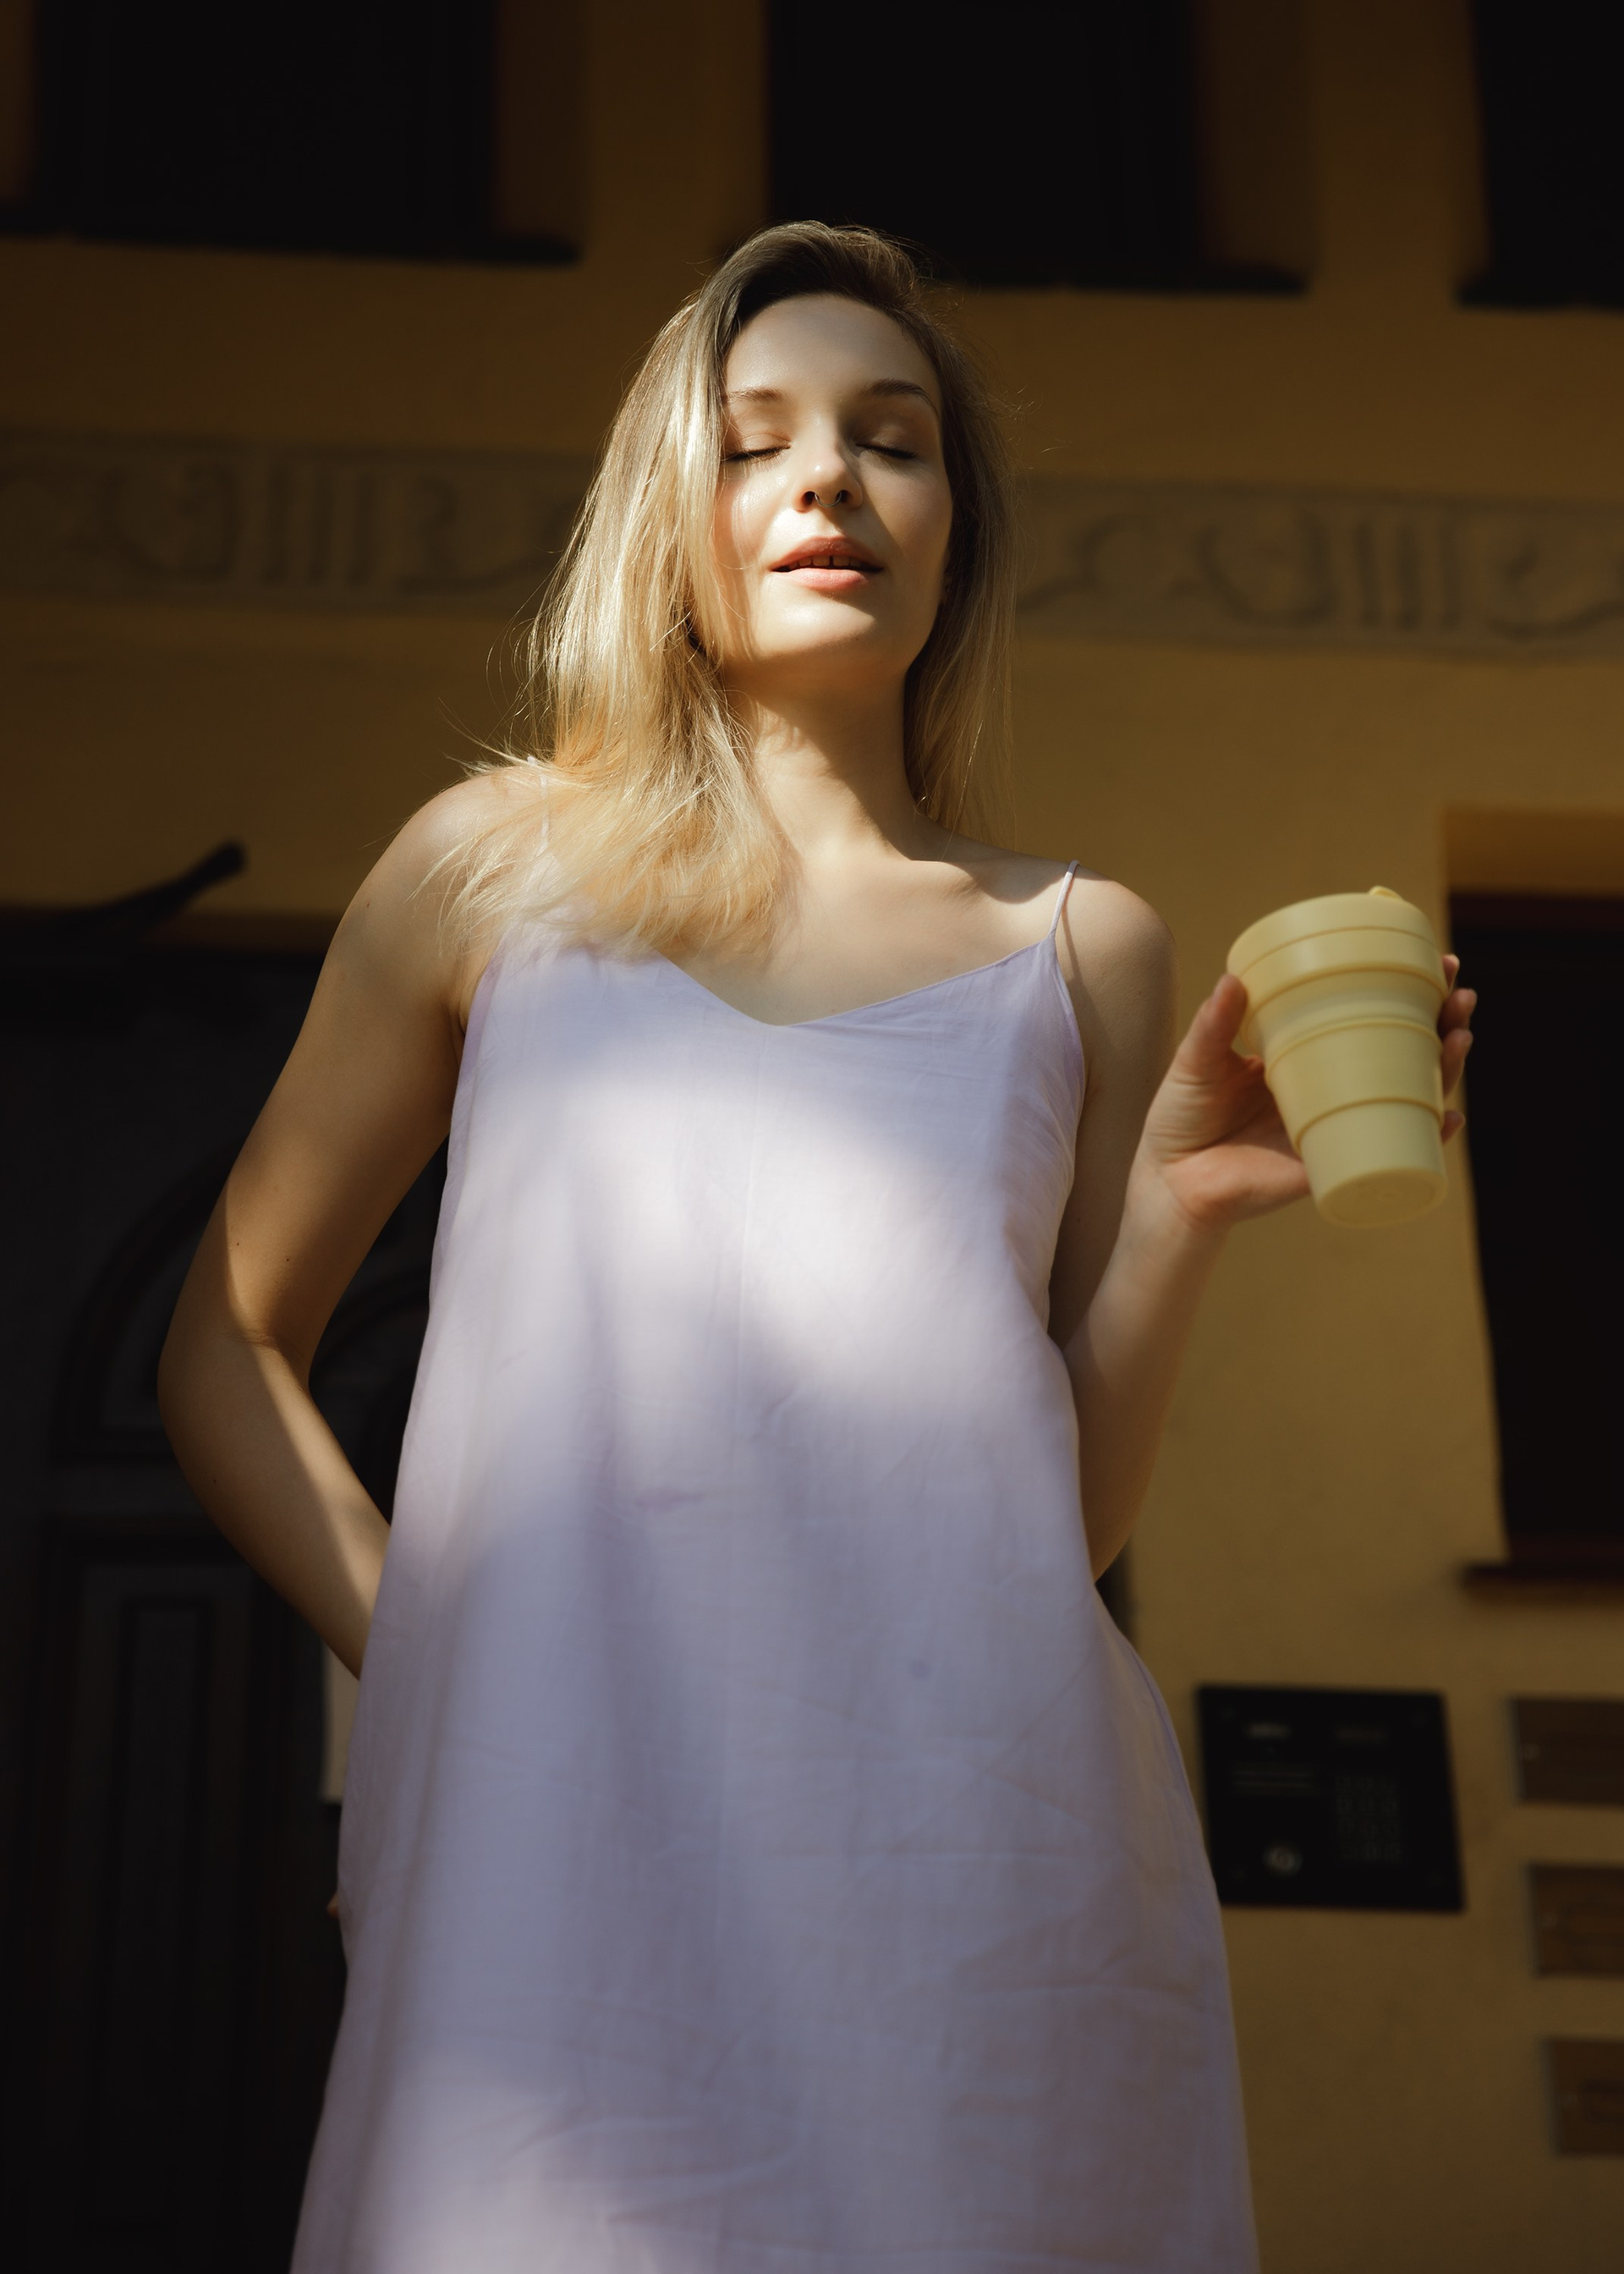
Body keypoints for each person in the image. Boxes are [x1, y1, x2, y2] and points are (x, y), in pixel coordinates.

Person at [159, 222, 1473, 2272]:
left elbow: (1055, 1519)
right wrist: (431, 1657)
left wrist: (1184, 1209)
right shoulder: (489, 873)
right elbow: (227, 1341)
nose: (830, 481)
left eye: (894, 438)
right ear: (664, 514)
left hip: (968, 1855)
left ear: (956, 529)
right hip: (551, 1830)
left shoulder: (1082, 945)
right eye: (753, 437)